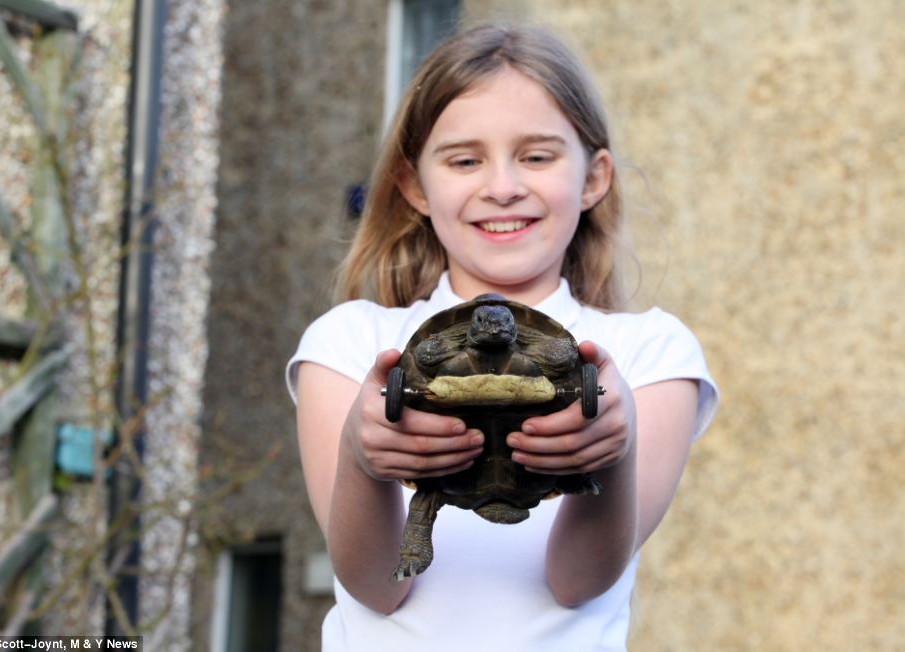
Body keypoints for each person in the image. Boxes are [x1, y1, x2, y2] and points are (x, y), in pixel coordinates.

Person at [286, 23, 718, 651]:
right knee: (424, 503)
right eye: (465, 160)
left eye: (537, 156)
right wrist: (362, 452)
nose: (503, 187)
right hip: (421, 524)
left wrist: (610, 452)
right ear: (414, 186)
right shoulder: (350, 343)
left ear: (594, 177)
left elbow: (576, 582)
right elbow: (376, 586)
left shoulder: (650, 353)